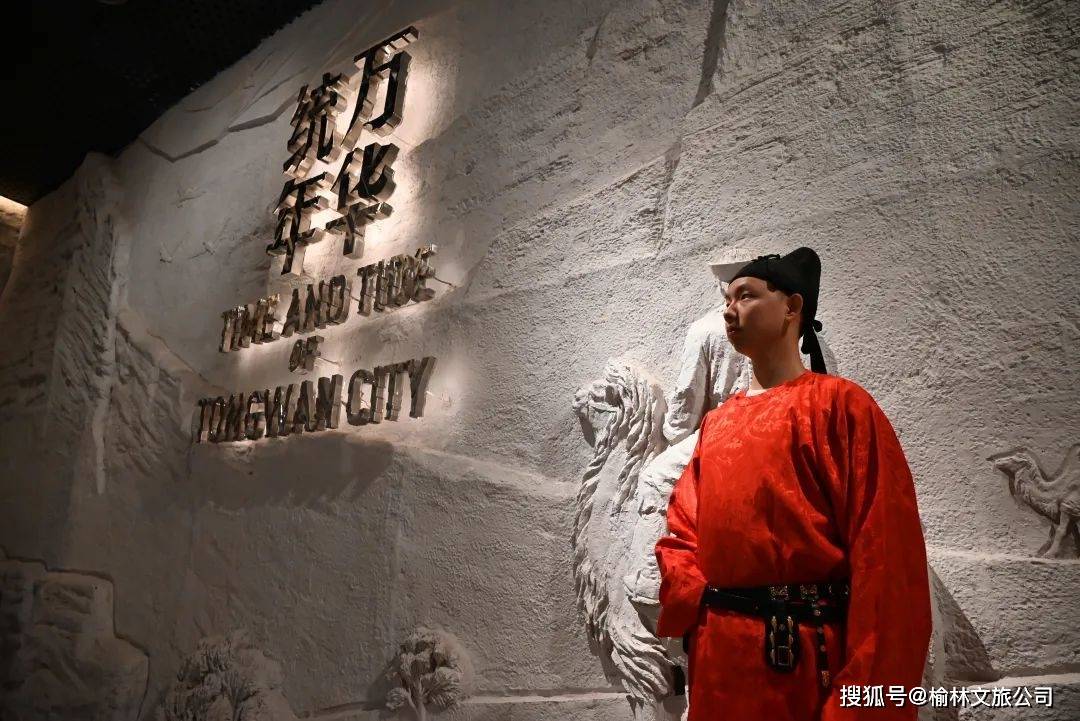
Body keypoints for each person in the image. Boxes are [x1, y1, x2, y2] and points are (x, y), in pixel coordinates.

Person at [653, 248, 932, 720]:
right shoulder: (717, 424)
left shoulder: (841, 408)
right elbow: (682, 528)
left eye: (746, 296)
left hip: (801, 666)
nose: (729, 310)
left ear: (792, 307)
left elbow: (887, 560)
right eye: (726, 300)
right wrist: (702, 609)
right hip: (719, 669)